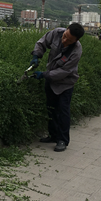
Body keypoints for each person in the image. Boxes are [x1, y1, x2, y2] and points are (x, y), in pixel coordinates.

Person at [30, 23, 85, 152]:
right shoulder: (56, 33)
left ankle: (62, 140)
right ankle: (53, 135)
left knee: (63, 111)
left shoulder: (76, 51)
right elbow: (42, 42)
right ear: (66, 30)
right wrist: (36, 55)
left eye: (69, 40)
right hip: (50, 80)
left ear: (76, 40)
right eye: (65, 36)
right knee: (51, 108)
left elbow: (64, 71)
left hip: (65, 84)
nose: (64, 40)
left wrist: (44, 75)